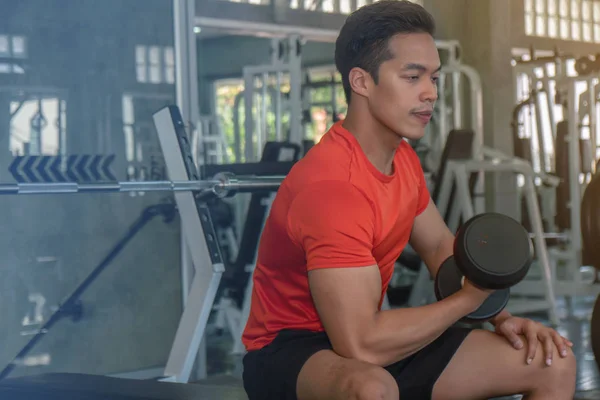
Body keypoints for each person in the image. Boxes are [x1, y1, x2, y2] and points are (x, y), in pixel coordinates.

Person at [240, 1, 577, 399]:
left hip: (370, 334)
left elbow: (438, 247)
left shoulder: (402, 159)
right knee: (372, 388)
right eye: (412, 76)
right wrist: (471, 299)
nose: (430, 92)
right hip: (291, 349)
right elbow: (361, 345)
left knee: (552, 359)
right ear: (362, 82)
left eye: (433, 78)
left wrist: (502, 318)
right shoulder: (333, 188)